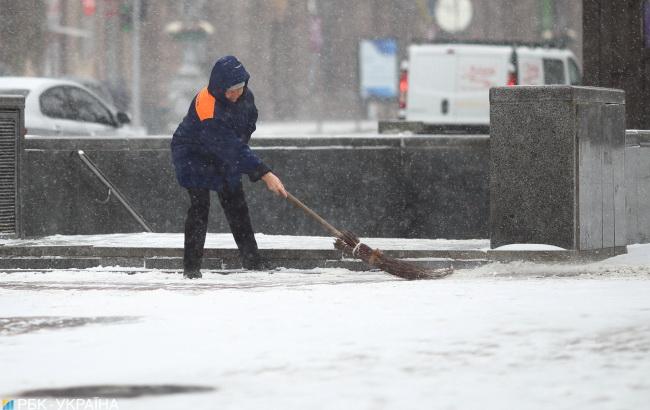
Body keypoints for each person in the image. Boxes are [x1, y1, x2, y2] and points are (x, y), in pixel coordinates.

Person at [171, 56, 287, 279]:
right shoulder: (208, 108)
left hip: (222, 151)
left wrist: (240, 150)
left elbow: (246, 125)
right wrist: (264, 173)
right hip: (192, 153)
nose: (236, 94)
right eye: (231, 91)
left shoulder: (244, 95)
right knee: (199, 207)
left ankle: (252, 263)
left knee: (236, 204)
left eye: (240, 88)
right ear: (219, 87)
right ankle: (191, 270)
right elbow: (229, 146)